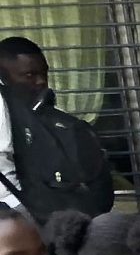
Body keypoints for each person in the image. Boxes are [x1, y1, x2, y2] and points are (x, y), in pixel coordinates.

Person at [0, 36, 117, 223]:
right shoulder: (5, 111)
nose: (41, 81)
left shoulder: (59, 121)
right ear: (3, 78)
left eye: (44, 73)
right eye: (29, 75)